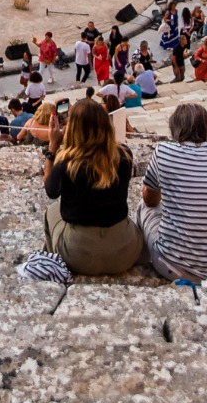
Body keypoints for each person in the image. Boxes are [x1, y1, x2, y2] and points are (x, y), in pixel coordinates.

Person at [141, 101, 207, 283]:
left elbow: (150, 200)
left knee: (144, 207)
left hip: (173, 266)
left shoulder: (163, 152)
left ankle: (141, 264)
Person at [41, 96, 141, 275]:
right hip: (124, 252)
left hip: (80, 256)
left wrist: (53, 147)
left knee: (51, 211)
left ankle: (53, 265)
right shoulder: (125, 155)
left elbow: (50, 189)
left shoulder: (67, 164)